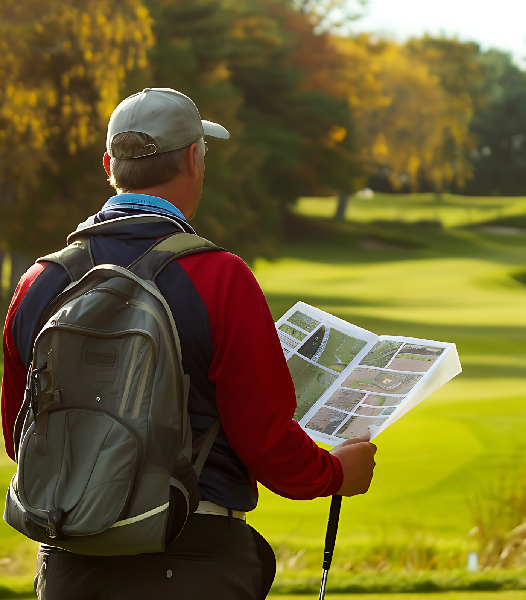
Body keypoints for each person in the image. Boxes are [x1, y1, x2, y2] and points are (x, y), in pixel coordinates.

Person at [0, 88, 377, 600]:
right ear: (195, 159)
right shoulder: (220, 277)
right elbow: (267, 444)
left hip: (71, 563)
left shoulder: (38, 282)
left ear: (109, 164)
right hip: (194, 558)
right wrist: (334, 473)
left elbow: (18, 437)